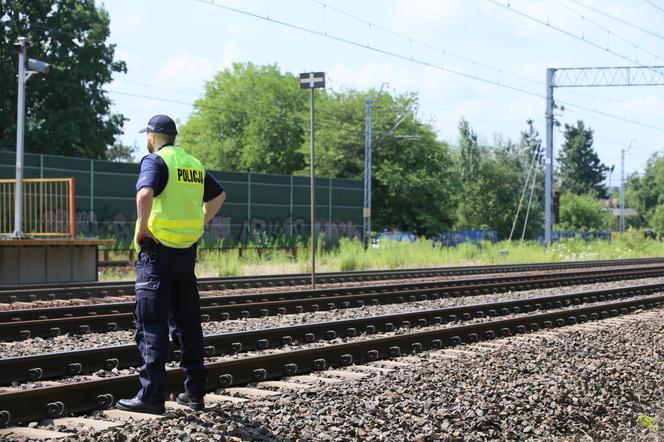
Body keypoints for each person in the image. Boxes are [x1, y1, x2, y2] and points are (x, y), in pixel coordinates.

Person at [117, 115, 226, 414]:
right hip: (185, 253)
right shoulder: (192, 164)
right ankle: (194, 394)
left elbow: (144, 193)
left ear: (152, 137)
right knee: (188, 323)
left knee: (151, 322)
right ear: (174, 136)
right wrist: (199, 223)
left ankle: (152, 397)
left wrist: (142, 229)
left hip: (157, 253)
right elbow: (219, 196)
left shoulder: (155, 161)